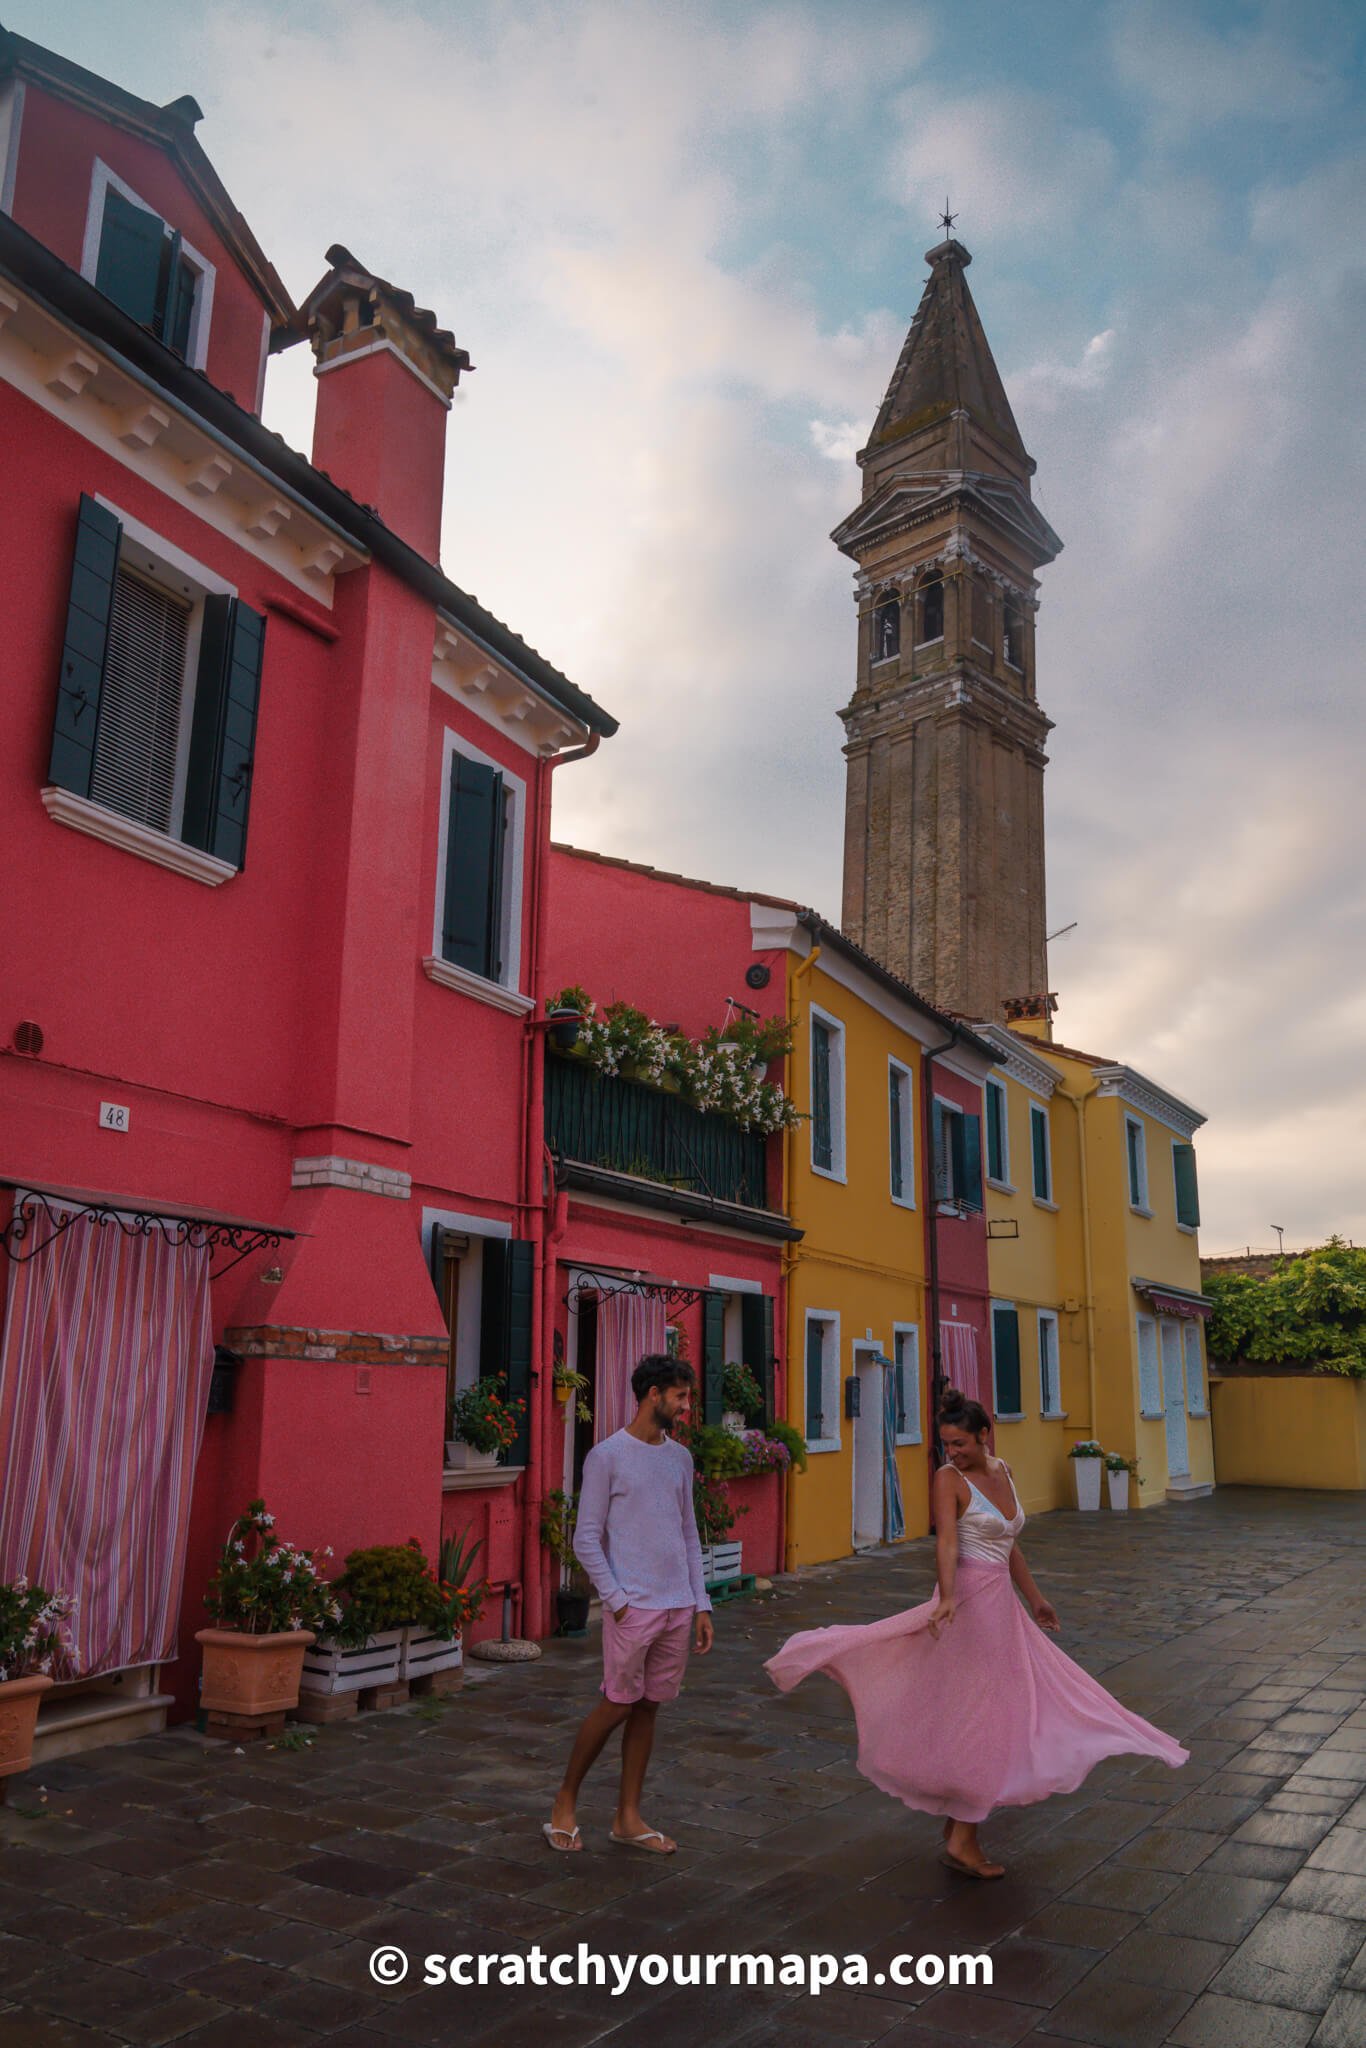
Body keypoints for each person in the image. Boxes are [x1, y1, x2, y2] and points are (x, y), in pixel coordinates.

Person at [765, 1386, 1188, 1879]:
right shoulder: (948, 1480)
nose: (954, 1452)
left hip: (1001, 1607)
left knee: (994, 1708)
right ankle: (964, 1837)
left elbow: (1010, 1544)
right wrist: (945, 1598)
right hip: (968, 1603)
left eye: (961, 1443)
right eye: (947, 1444)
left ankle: (958, 1826)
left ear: (985, 1435)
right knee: (988, 1713)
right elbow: (946, 1542)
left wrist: (1036, 1599)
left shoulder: (1003, 1470)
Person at [544, 1352, 714, 1855]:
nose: (685, 1406)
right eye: (680, 1396)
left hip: (677, 1606)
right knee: (617, 1703)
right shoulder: (607, 1456)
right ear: (653, 1394)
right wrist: (616, 1602)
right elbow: (586, 1539)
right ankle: (564, 1802)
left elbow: (688, 1534)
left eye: (688, 1395)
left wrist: (700, 1603)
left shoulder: (680, 1459)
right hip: (632, 1607)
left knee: (648, 1709)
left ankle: (628, 1817)